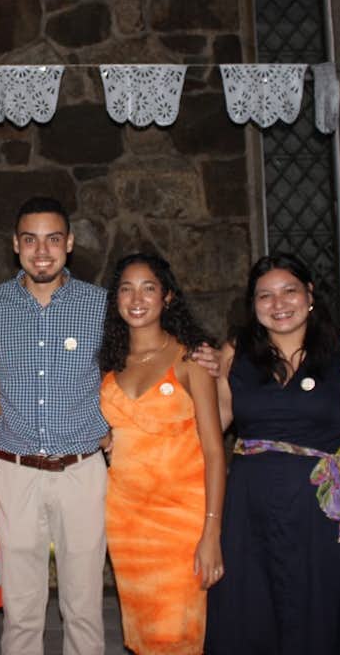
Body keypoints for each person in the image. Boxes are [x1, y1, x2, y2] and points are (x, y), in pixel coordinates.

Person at [0, 196, 219, 655]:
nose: (41, 251)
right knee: (20, 611)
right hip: (15, 471)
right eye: (30, 240)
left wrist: (212, 357)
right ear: (15, 245)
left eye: (52, 239)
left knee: (84, 609)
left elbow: (140, 361)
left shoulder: (103, 306)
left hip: (83, 472)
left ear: (68, 244)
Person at [205, 253, 340, 655]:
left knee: (321, 613)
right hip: (252, 508)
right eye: (265, 296)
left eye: (289, 291)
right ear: (253, 304)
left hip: (323, 511)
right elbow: (212, 426)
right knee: (255, 612)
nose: (278, 304)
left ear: (310, 294)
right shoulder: (234, 353)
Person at [98, 253, 225, 655]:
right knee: (143, 635)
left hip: (182, 521)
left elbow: (215, 452)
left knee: (177, 637)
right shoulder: (109, 365)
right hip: (125, 519)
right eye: (126, 288)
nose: (136, 298)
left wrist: (211, 533)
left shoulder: (191, 360)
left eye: (148, 287)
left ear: (167, 296)